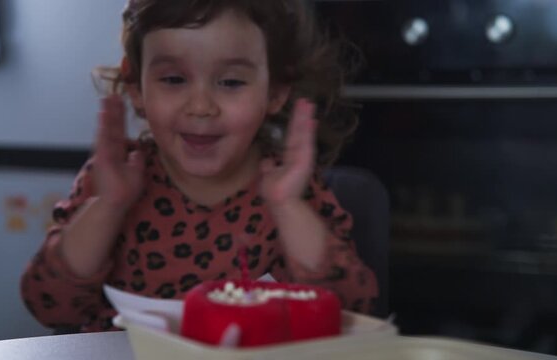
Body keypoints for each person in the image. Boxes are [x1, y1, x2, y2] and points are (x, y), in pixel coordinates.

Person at [21, 0, 379, 332]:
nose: (201, 106)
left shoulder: (293, 190)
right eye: (174, 80)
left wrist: (288, 208)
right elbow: (49, 305)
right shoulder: (111, 181)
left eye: (231, 82)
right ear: (136, 87)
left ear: (275, 92)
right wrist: (109, 207)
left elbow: (351, 313)